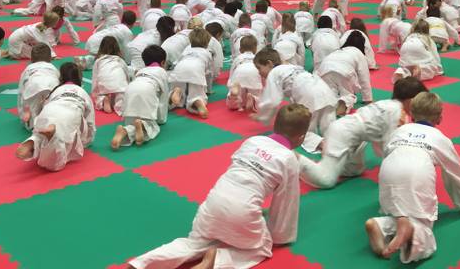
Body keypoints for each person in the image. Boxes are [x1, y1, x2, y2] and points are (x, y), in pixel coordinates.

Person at [128, 104, 310, 269]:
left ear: (274, 125)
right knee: (262, 247)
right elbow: (286, 202)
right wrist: (280, 235)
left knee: (193, 244)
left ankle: (141, 263)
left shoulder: (252, 141)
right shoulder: (288, 159)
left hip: (212, 204)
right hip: (242, 212)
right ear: (301, 138)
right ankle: (218, 259)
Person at [365, 92, 460, 263]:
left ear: (411, 114)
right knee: (424, 231)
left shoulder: (400, 130)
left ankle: (381, 225)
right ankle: (411, 229)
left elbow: (386, 153)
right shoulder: (441, 139)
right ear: (440, 118)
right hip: (416, 172)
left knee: (399, 211)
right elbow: (455, 174)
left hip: (388, 172)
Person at [299, 77, 428, 189]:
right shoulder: (398, 113)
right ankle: (295, 159)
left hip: (352, 134)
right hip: (344, 133)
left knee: (355, 170)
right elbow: (391, 146)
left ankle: (329, 158)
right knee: (326, 180)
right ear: (411, 100)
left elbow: (380, 142)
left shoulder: (388, 104)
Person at [254, 48, 337, 153]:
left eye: (259, 68)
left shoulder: (274, 73)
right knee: (329, 125)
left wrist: (263, 117)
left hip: (308, 94)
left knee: (299, 131)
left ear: (269, 63)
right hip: (324, 89)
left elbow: (272, 100)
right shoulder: (290, 67)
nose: (259, 73)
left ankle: (322, 144)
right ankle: (338, 142)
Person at [16, 63, 95, 171]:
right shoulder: (83, 93)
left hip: (48, 112)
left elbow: (43, 106)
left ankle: (34, 141)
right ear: (79, 78)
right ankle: (51, 138)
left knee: (40, 135)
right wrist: (87, 140)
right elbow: (90, 122)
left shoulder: (56, 90)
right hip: (68, 114)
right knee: (56, 161)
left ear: (61, 78)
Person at [110, 45, 170, 149]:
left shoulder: (140, 71)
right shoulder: (162, 72)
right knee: (152, 127)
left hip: (129, 92)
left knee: (131, 124)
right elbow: (163, 100)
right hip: (147, 91)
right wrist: (161, 119)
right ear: (163, 62)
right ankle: (142, 124)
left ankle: (125, 130)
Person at [316, 31, 373, 115]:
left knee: (331, 92)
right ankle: (343, 103)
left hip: (324, 70)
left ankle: (328, 105)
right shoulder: (359, 53)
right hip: (343, 71)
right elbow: (364, 77)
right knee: (348, 94)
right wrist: (368, 98)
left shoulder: (338, 51)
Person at [168, 28, 213, 118]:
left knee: (177, 85)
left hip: (179, 69)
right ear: (207, 43)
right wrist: (208, 89)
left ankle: (177, 91)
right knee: (196, 92)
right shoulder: (207, 53)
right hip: (196, 71)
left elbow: (177, 62)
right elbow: (208, 73)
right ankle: (197, 101)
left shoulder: (187, 49)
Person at [18, 43, 60, 129]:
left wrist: (22, 114)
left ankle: (32, 125)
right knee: (52, 109)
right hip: (52, 86)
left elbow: (21, 92)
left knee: (33, 114)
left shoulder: (28, 69)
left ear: (31, 59)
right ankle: (52, 123)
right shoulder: (53, 67)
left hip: (33, 88)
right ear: (49, 58)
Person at [91, 36, 132, 115]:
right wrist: (128, 86)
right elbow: (126, 74)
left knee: (100, 96)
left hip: (104, 86)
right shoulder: (120, 60)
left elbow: (95, 78)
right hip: (120, 85)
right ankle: (119, 105)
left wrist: (95, 94)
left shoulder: (99, 61)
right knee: (122, 99)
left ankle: (103, 100)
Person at [227, 35, 263, 112]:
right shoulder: (257, 58)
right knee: (259, 95)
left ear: (240, 49)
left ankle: (234, 96)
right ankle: (254, 99)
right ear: (256, 49)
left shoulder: (238, 58)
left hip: (239, 72)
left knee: (238, 99)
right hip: (254, 72)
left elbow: (232, 73)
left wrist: (231, 84)